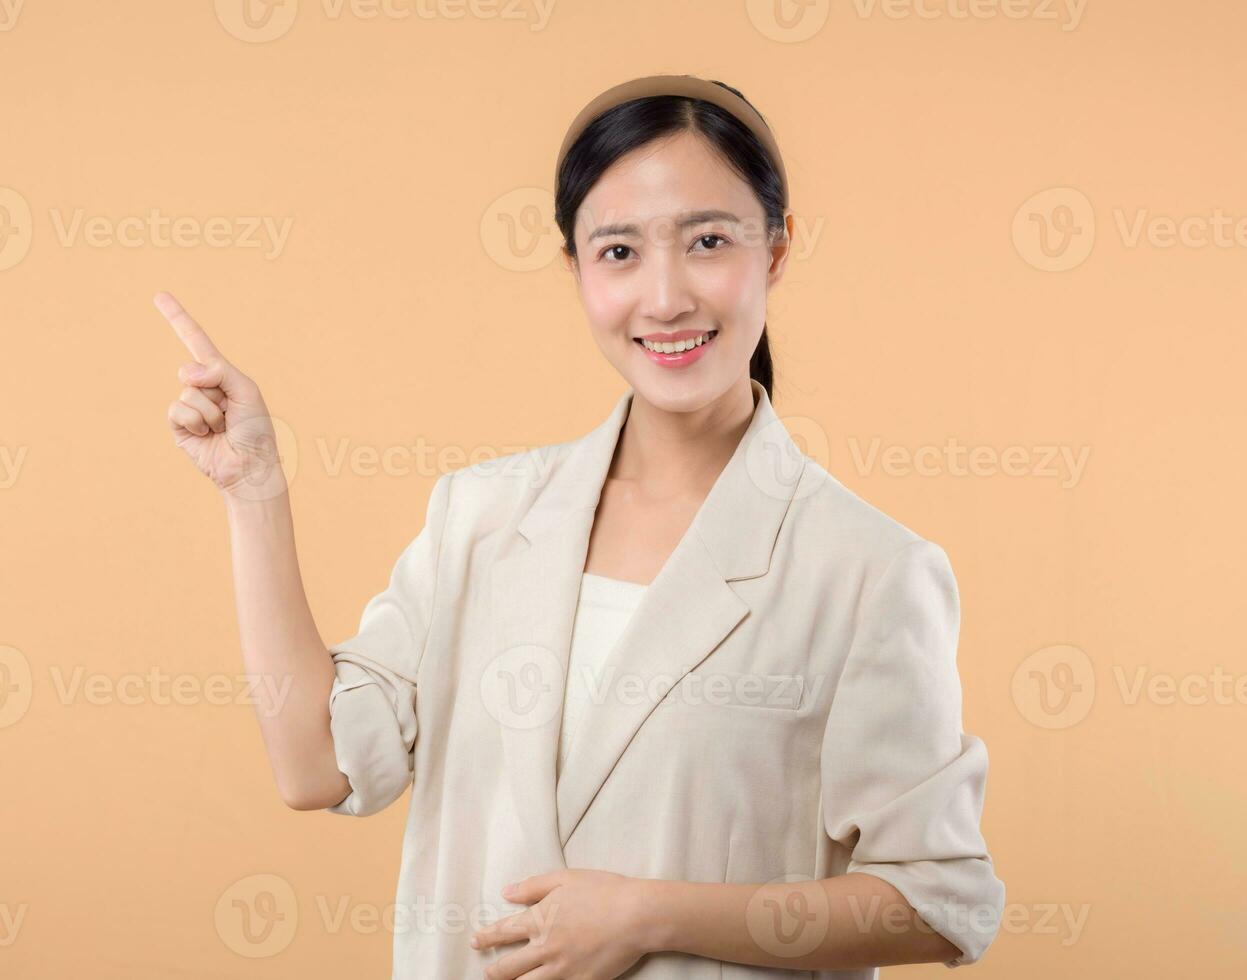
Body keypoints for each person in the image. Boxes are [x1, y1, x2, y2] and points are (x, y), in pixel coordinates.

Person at [159, 73, 1004, 979]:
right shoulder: (478, 519)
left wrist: (650, 915)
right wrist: (254, 493)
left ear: (778, 249)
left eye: (708, 241)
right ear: (575, 269)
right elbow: (315, 762)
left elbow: (937, 901)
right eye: (618, 252)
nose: (666, 297)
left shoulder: (869, 569)